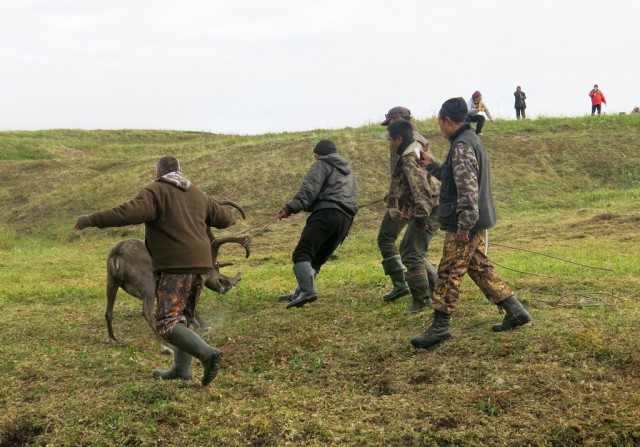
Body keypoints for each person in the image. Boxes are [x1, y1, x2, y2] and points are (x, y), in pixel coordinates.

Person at [74, 156, 236, 386]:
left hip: (175, 266)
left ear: (158, 173)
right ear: (180, 170)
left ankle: (207, 354)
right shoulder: (198, 194)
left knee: (167, 322)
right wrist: (228, 219)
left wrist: (91, 219)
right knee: (184, 317)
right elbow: (224, 218)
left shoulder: (155, 191)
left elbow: (127, 212)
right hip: (201, 266)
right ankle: (181, 368)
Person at [411, 97, 531, 349]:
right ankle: (516, 311)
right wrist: (431, 164)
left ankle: (440, 327)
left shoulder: (462, 145)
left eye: (440, 123)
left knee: (448, 272)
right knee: (478, 266)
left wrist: (464, 226)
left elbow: (467, 190)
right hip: (472, 218)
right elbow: (455, 177)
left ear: (447, 120)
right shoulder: (469, 140)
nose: (440, 128)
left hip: (463, 221)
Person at [277, 139, 359, 309]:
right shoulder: (349, 171)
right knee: (316, 260)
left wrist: (289, 208)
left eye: (315, 156)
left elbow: (309, 190)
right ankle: (300, 292)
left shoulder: (322, 164)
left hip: (326, 214)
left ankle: (308, 291)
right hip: (346, 219)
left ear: (319, 154)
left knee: (302, 253)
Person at [377, 106, 437, 306]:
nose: (389, 140)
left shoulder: (410, 146)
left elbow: (419, 183)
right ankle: (434, 291)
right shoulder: (413, 141)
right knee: (411, 248)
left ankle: (421, 296)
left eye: (390, 125)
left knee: (406, 248)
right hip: (418, 203)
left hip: (424, 205)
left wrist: (417, 212)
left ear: (398, 120)